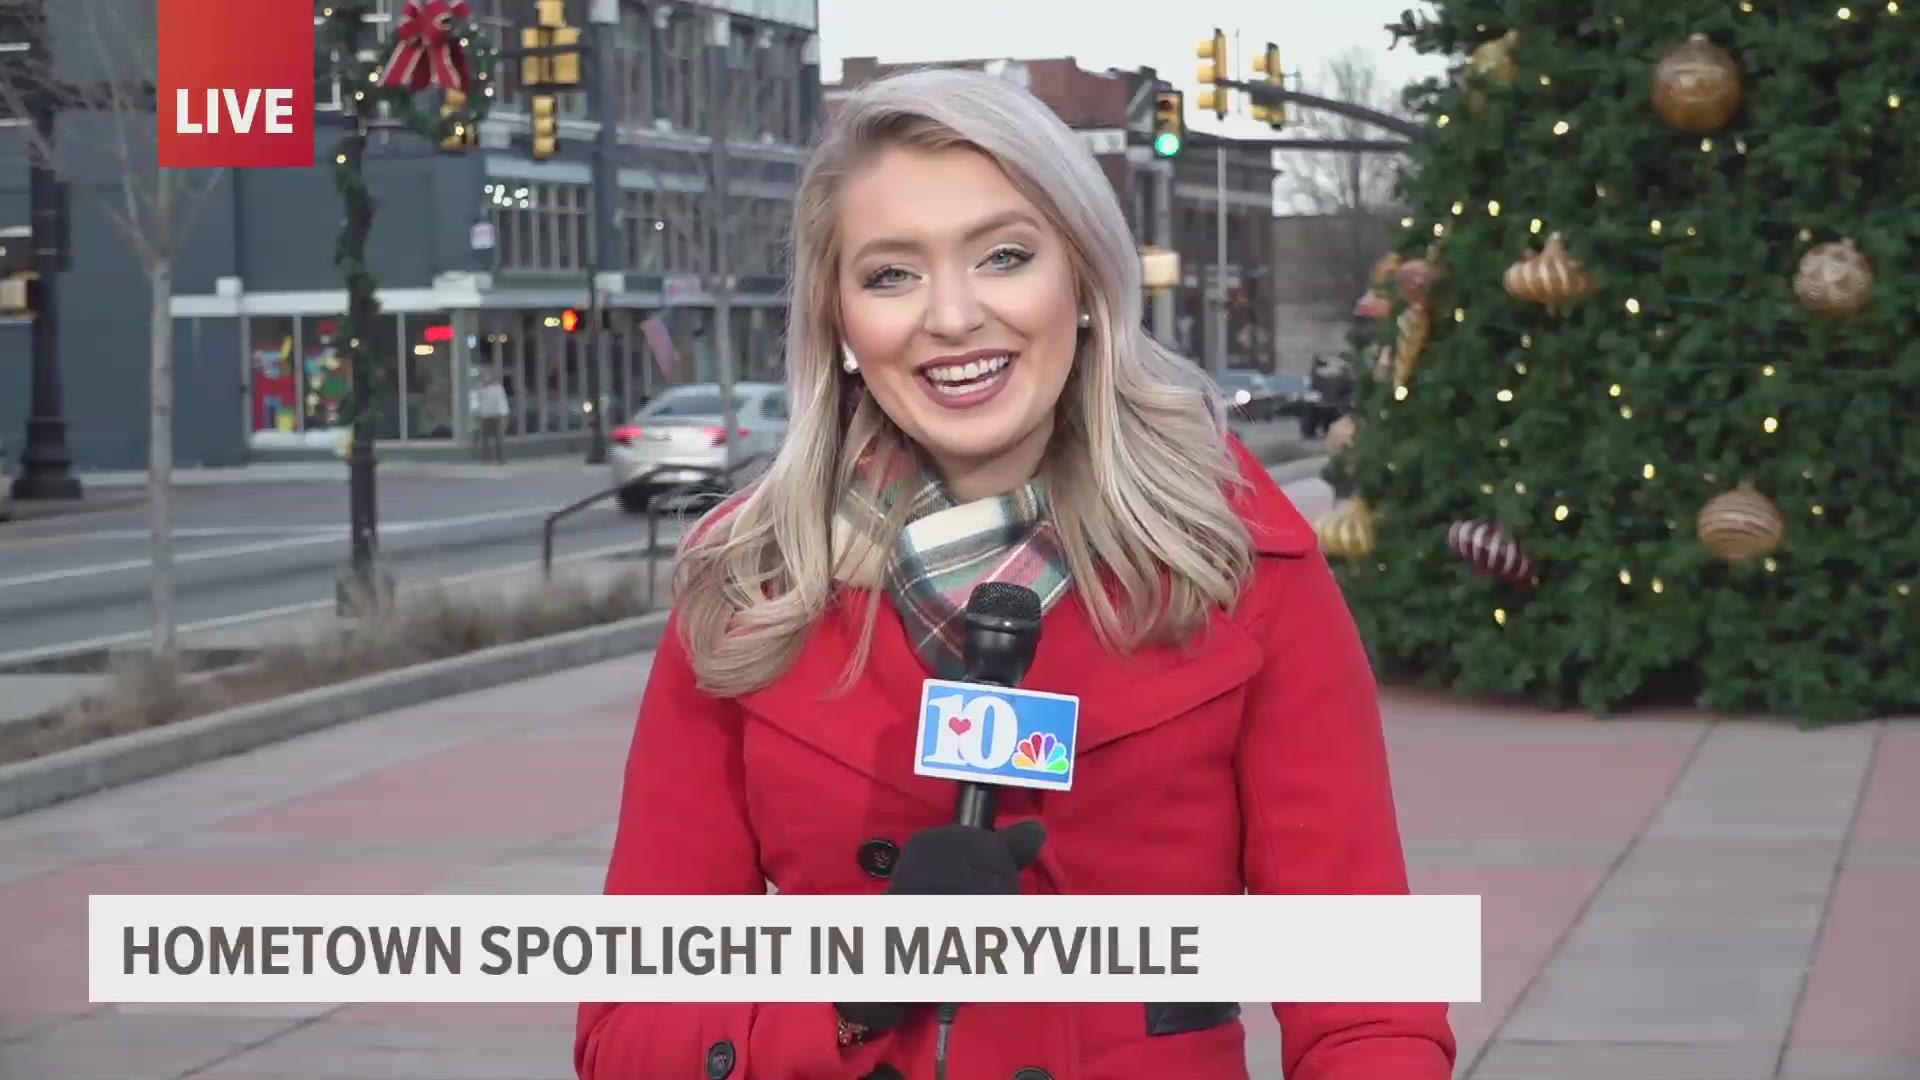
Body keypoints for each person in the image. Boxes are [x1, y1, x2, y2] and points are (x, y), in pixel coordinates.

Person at [576, 68, 1455, 1080]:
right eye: (892, 275)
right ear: (839, 323)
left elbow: (1370, 1013)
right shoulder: (746, 589)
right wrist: (858, 984)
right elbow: (626, 1038)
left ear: (1081, 279)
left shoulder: (1241, 565)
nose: (952, 317)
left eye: (1003, 256)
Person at [471, 372, 509, 463]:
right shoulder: (480, 389)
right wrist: (476, 414)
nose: (487, 382)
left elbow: (502, 401)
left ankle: (500, 458)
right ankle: (487, 458)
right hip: (485, 416)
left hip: (496, 416)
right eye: (485, 380)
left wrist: (504, 415)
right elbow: (477, 402)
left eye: (488, 380)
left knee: (498, 438)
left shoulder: (497, 389)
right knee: (485, 439)